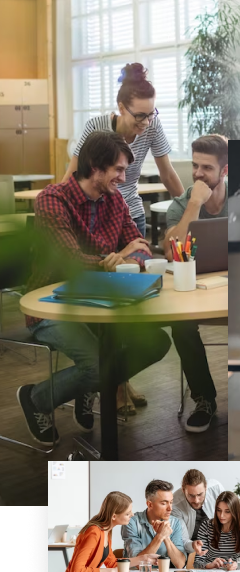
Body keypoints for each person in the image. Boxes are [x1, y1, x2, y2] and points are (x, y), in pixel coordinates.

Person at [18, 131, 171, 445]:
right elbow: (69, 260)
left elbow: (139, 246)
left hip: (100, 301)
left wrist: (131, 255)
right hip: (51, 305)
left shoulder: (115, 200)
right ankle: (35, 399)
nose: (123, 177)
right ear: (96, 167)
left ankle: (86, 387)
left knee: (156, 342)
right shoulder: (53, 198)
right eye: (118, 169)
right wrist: (113, 259)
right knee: (96, 366)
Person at [62, 62, 185, 415]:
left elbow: (166, 170)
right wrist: (59, 206)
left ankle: (121, 380)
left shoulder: (152, 125)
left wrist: (185, 208)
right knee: (106, 298)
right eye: (139, 116)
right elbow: (73, 174)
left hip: (127, 211)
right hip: (95, 213)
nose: (145, 123)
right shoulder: (97, 128)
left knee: (129, 300)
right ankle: (114, 388)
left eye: (151, 115)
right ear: (121, 108)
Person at [160, 134, 229, 432]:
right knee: (182, 325)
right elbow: (169, 249)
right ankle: (204, 399)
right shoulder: (181, 204)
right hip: (195, 294)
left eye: (207, 168)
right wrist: (195, 204)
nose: (198, 173)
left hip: (236, 290)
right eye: (194, 165)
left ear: (224, 171)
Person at [171, 468, 223, 555]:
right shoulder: (175, 504)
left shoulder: (216, 488)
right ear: (183, 490)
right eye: (191, 495)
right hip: (191, 549)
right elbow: (181, 538)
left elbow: (229, 517)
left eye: (200, 494)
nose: (196, 500)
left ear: (206, 487)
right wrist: (193, 545)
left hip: (219, 544)